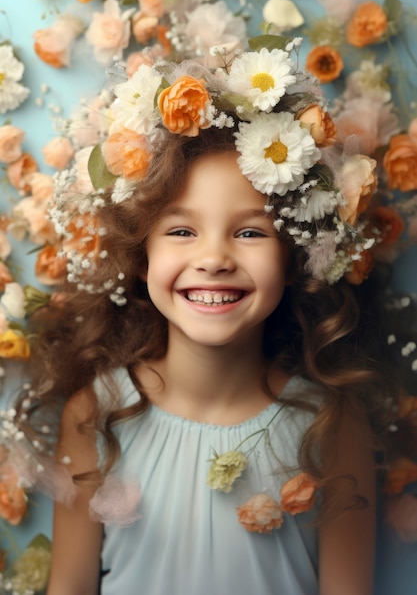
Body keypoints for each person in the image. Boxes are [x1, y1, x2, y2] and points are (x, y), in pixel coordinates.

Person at [20, 41, 389, 595]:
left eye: (249, 232)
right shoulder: (94, 415)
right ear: (144, 258)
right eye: (182, 231)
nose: (214, 259)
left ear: (292, 258)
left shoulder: (331, 426)